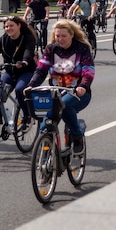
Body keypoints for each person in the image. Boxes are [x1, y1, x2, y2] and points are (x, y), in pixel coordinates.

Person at [25, 19, 94, 154]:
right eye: (57, 36)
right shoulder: (51, 49)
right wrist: (31, 85)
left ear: (71, 35)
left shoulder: (82, 48)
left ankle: (77, 135)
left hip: (78, 93)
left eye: (64, 36)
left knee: (65, 106)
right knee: (46, 125)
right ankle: (44, 162)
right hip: (55, 93)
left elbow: (88, 70)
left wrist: (83, 86)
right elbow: (41, 69)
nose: (60, 39)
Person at [0, 16, 37, 124]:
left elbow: (29, 51)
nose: (8, 28)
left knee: (20, 90)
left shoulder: (27, 37)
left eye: (11, 26)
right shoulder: (4, 39)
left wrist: (24, 62)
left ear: (18, 26)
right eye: (6, 26)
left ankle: (28, 116)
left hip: (26, 71)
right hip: (10, 72)